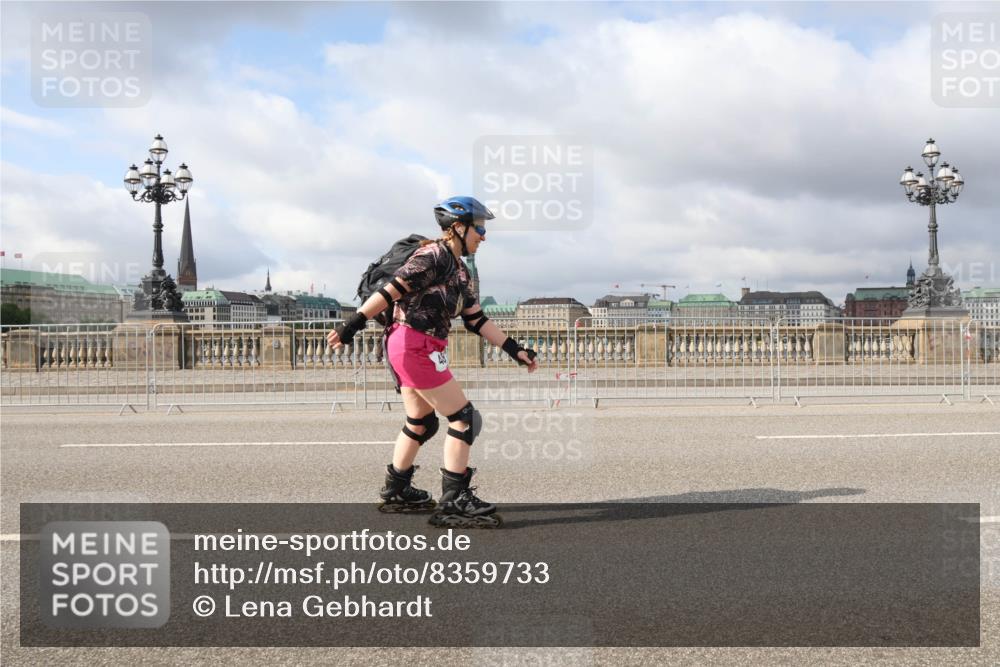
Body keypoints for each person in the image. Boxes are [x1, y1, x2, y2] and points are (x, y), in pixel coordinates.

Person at [327, 196, 539, 528]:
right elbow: (393, 290)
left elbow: (476, 319)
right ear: (458, 227)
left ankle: (396, 488)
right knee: (464, 418)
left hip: (412, 346)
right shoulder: (433, 255)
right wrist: (352, 324)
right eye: (479, 228)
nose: (483, 235)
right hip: (414, 346)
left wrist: (514, 349)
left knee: (422, 422)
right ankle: (453, 503)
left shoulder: (459, 271)